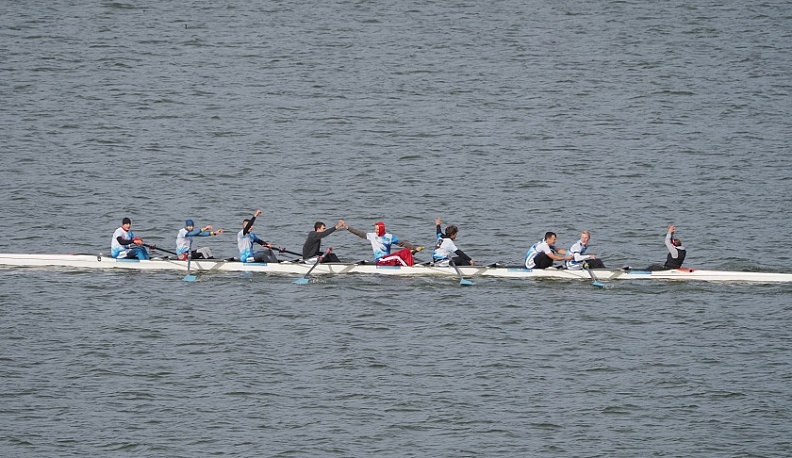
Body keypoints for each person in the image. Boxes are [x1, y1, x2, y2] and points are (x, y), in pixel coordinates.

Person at [346, 221, 424, 266]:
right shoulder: (372, 236)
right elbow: (359, 233)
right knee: (397, 257)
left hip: (388, 259)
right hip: (380, 260)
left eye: (377, 229)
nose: (376, 231)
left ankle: (411, 263)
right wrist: (348, 228)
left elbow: (402, 243)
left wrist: (414, 248)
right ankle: (408, 269)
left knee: (406, 251)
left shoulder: (389, 237)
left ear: (382, 229)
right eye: (375, 229)